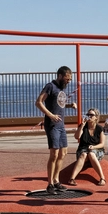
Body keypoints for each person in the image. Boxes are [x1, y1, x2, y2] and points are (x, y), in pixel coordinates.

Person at [35, 66, 77, 194]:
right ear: (60, 76)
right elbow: (38, 102)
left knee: (63, 153)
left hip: (61, 125)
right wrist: (51, 115)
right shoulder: (50, 86)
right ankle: (50, 184)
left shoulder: (61, 89)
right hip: (52, 125)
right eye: (67, 79)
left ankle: (56, 180)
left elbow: (59, 104)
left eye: (70, 79)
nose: (69, 81)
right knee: (54, 154)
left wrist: (69, 105)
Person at [66, 108, 106, 186]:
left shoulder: (99, 128)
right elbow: (77, 136)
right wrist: (82, 126)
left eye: (91, 115)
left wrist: (93, 147)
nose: (89, 116)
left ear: (96, 117)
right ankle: (72, 179)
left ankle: (102, 178)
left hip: (96, 150)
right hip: (83, 149)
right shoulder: (83, 126)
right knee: (84, 154)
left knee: (91, 154)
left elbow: (102, 144)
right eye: (88, 115)